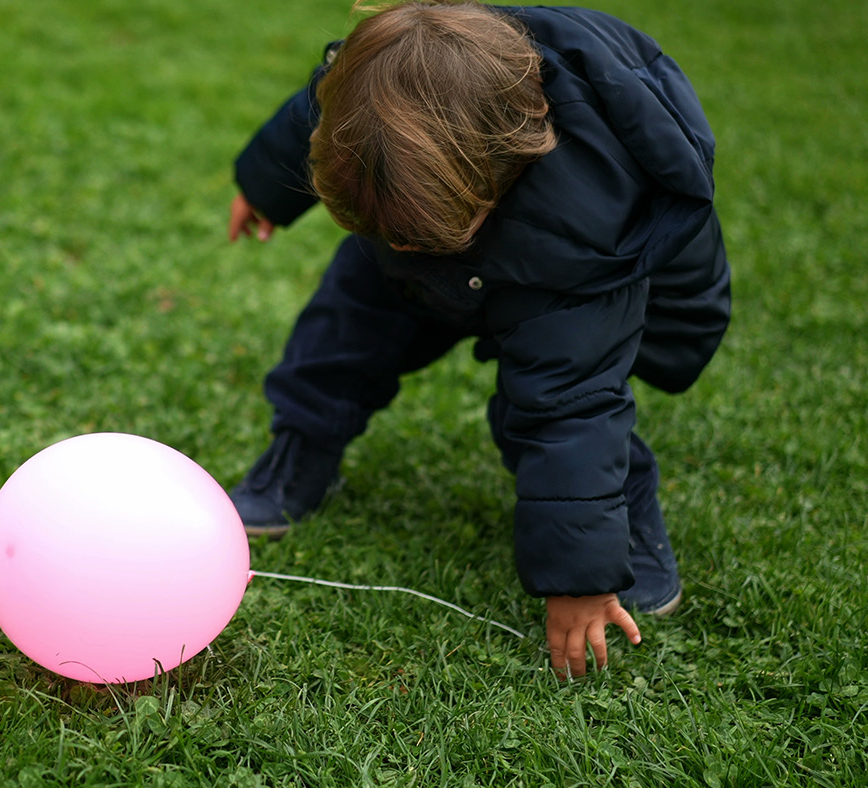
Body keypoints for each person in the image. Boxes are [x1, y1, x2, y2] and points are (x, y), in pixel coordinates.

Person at [225, 1, 731, 678]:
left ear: (497, 171)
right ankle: (301, 451)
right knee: (340, 333)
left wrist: (577, 580)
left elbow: (570, 410)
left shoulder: (585, 230)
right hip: (452, 244)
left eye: (413, 231)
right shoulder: (385, 82)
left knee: (547, 414)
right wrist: (265, 187)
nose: (399, 241)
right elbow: (321, 106)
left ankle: (627, 517)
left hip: (586, 278)